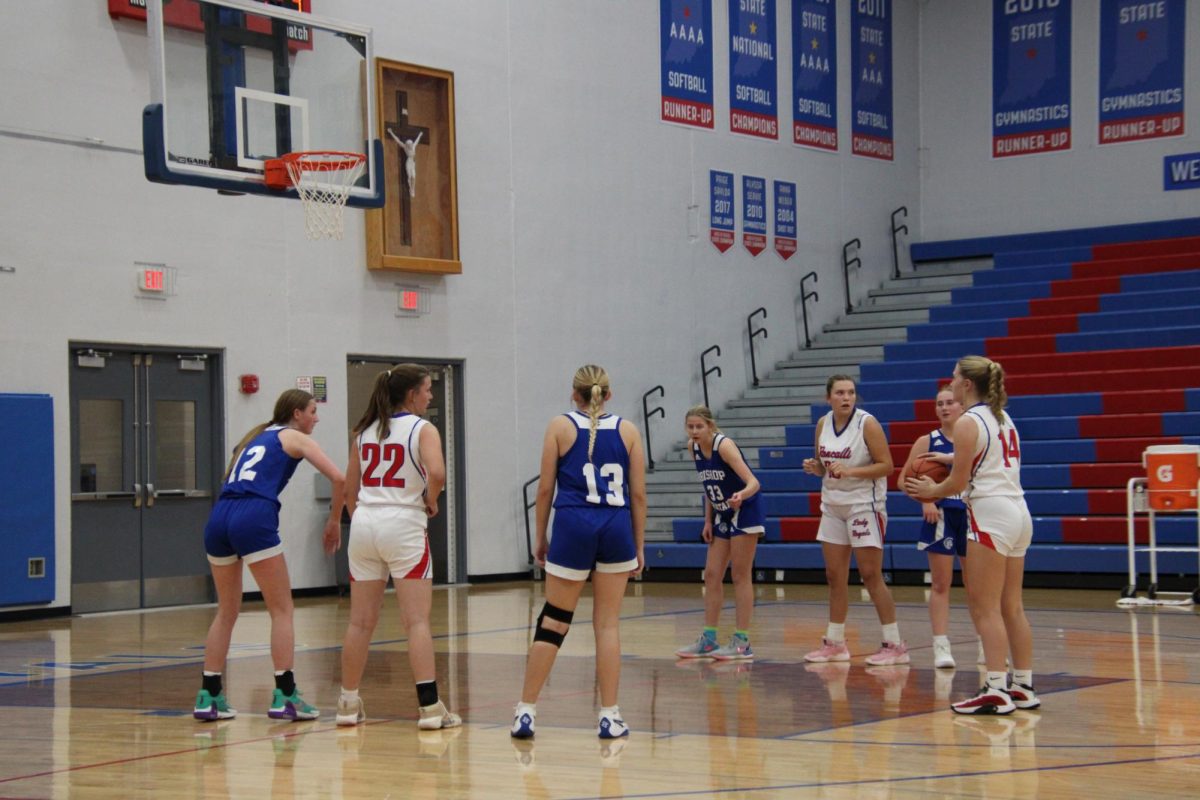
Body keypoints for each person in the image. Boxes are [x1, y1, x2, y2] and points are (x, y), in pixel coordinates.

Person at [512, 365, 646, 740]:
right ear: (609, 394)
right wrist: (639, 545)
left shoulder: (559, 426)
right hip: (615, 527)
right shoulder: (629, 431)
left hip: (572, 526)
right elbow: (638, 496)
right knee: (607, 625)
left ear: (575, 394)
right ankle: (609, 715)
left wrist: (540, 537)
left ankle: (526, 711)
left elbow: (544, 491)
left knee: (554, 620)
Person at [194, 389, 344, 722]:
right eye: (312, 411)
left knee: (227, 611)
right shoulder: (294, 437)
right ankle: (286, 695)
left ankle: (209, 695)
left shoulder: (255, 438)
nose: (316, 418)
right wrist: (334, 521)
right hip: (253, 514)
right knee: (282, 610)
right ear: (295, 414)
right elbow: (339, 477)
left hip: (219, 515)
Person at [906, 355, 1038, 715]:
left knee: (984, 607)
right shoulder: (1002, 417)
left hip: (990, 512)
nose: (948, 383)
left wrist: (932, 489)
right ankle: (1023, 685)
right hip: (1019, 511)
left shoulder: (967, 422)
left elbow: (959, 483)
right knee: (1012, 606)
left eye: (953, 378)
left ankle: (995, 688)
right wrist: (948, 464)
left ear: (966, 385)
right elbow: (987, 459)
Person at [335, 364, 461, 730]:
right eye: (426, 389)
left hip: (365, 521)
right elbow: (437, 473)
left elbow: (349, 488)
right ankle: (430, 709)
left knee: (360, 622)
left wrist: (362, 516)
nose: (430, 395)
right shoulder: (423, 429)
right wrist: (430, 499)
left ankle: (347, 703)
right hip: (403, 520)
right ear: (411, 395)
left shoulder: (362, 431)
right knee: (416, 620)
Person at [801, 375, 906, 666]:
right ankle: (835, 642)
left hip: (864, 505)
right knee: (834, 576)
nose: (846, 398)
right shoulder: (823, 424)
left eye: (851, 392)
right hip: (833, 505)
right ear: (829, 398)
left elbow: (887, 466)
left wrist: (850, 472)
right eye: (840, 393)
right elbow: (826, 466)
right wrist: (816, 467)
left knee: (871, 575)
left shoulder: (867, 423)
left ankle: (895, 643)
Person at [674, 406, 764, 661]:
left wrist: (740, 495)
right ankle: (709, 639)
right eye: (690, 427)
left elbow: (753, 482)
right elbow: (709, 486)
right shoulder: (692, 448)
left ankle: (742, 641)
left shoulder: (723, 446)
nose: (693, 431)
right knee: (712, 574)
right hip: (722, 512)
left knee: (739, 575)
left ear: (710, 426)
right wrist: (707, 520)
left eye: (698, 426)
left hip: (746, 509)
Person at [897, 386, 967, 669]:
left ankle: (987, 647)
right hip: (940, 516)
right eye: (940, 404)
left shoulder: (971, 438)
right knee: (940, 584)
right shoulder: (927, 441)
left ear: (961, 406)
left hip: (972, 514)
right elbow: (903, 480)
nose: (945, 407)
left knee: (978, 588)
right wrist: (925, 499)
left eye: (950, 402)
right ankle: (941, 645)